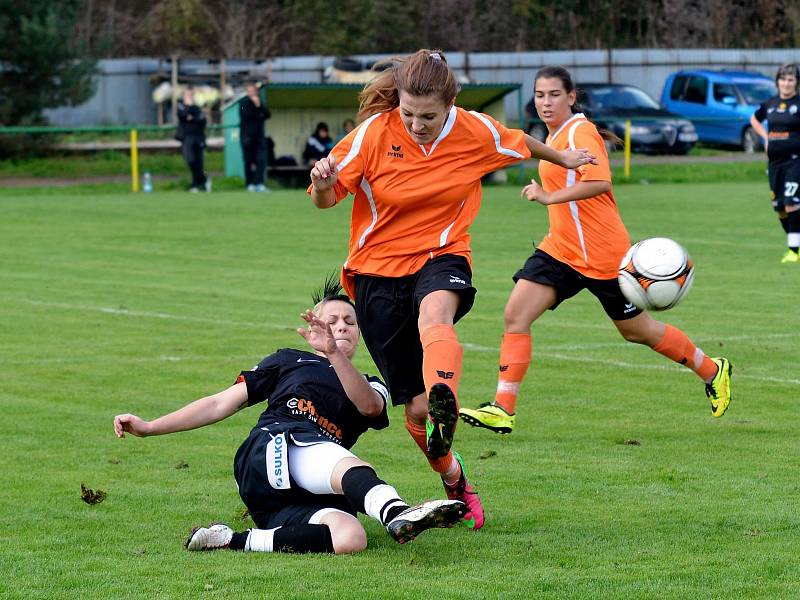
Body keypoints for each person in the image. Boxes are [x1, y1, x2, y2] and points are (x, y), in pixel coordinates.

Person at [308, 50, 595, 531]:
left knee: (435, 316)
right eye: (408, 113)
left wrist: (563, 156)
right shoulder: (372, 136)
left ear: (451, 104)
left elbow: (521, 141)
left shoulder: (473, 129)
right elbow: (325, 199)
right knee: (416, 412)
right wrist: (321, 182)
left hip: (442, 254)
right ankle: (454, 476)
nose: (417, 125)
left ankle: (446, 393)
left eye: (429, 116)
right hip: (377, 274)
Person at [459, 66, 733, 436]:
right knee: (515, 315)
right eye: (540, 95)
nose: (546, 102)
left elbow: (601, 182)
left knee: (638, 332)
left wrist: (548, 195)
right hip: (561, 249)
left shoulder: (581, 131)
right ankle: (502, 408)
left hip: (603, 254)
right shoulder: (553, 135)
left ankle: (713, 370)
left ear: (571, 97)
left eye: (554, 94)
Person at [112, 279, 465, 554]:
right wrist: (150, 427)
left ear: (361, 333)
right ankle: (395, 512)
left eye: (350, 322)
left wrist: (335, 357)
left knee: (349, 537)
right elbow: (220, 403)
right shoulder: (288, 360)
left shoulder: (372, 383)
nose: (341, 327)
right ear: (312, 330)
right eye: (331, 321)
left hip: (296, 494)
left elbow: (370, 408)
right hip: (270, 452)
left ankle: (229, 540)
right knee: (343, 461)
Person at [749, 63, 800, 264]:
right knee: (779, 206)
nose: (786, 83)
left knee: (791, 203)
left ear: (796, 83)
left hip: (795, 162)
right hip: (775, 163)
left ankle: (793, 251)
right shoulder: (770, 103)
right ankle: (796, 241)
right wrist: (766, 139)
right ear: (777, 81)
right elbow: (754, 120)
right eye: (783, 79)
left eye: (790, 80)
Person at [176, 88, 210, 192]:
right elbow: (183, 116)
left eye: (191, 95)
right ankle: (203, 179)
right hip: (187, 138)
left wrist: (192, 117)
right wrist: (190, 111)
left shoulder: (197, 108)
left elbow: (202, 120)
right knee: (190, 160)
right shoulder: (181, 107)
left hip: (199, 137)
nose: (189, 97)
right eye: (187, 95)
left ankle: (196, 184)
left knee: (199, 162)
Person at [240, 83, 271, 192]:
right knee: (249, 161)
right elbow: (247, 116)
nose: (251, 93)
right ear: (247, 92)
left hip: (259, 138)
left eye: (253, 91)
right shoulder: (243, 103)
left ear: (256, 92)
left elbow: (267, 114)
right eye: (249, 91)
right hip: (247, 138)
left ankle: (259, 183)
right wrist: (259, 114)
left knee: (261, 160)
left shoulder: (260, 103)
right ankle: (249, 183)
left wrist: (258, 106)